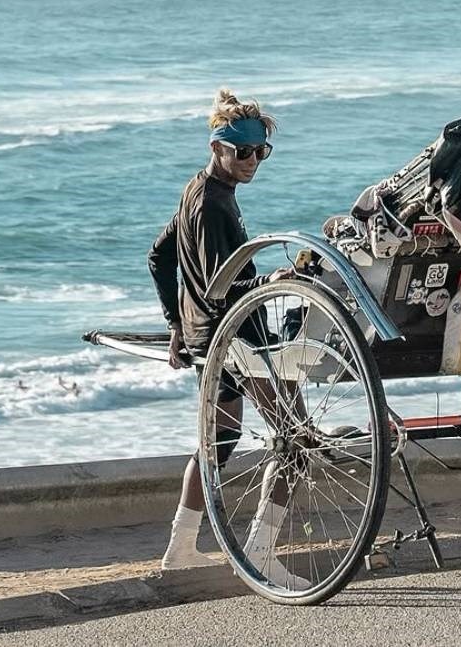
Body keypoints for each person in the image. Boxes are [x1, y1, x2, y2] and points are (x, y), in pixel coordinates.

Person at [147, 88, 307, 588]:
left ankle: (180, 548)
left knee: (219, 440)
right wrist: (279, 280)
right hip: (239, 338)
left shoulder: (195, 190)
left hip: (207, 336)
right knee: (298, 437)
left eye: (261, 151)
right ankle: (260, 551)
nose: (253, 161)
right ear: (217, 147)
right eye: (243, 152)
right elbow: (227, 283)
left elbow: (159, 256)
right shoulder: (214, 206)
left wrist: (178, 326)